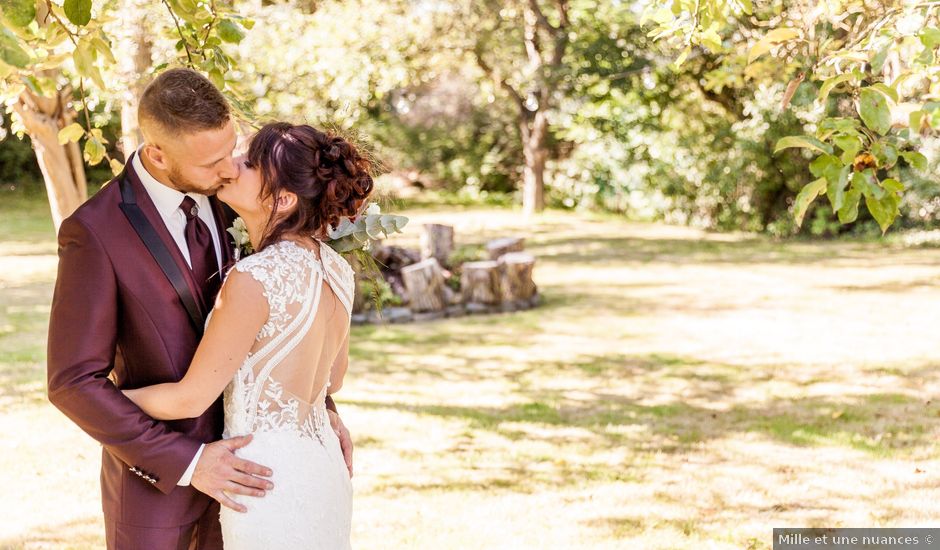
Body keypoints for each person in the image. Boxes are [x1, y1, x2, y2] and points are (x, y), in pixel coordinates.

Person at [46, 68, 354, 549]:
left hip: (264, 482)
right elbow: (73, 383)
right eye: (212, 162)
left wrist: (313, 410)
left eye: (233, 151)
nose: (229, 168)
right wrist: (188, 461)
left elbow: (281, 329)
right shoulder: (95, 232)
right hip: (160, 494)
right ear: (157, 154)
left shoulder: (243, 201)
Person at [122, 120, 371, 549]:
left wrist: (103, 401)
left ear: (283, 198)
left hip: (265, 481)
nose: (234, 165)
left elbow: (191, 398)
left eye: (251, 163)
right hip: (323, 470)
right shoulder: (337, 269)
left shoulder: (255, 277)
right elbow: (333, 380)